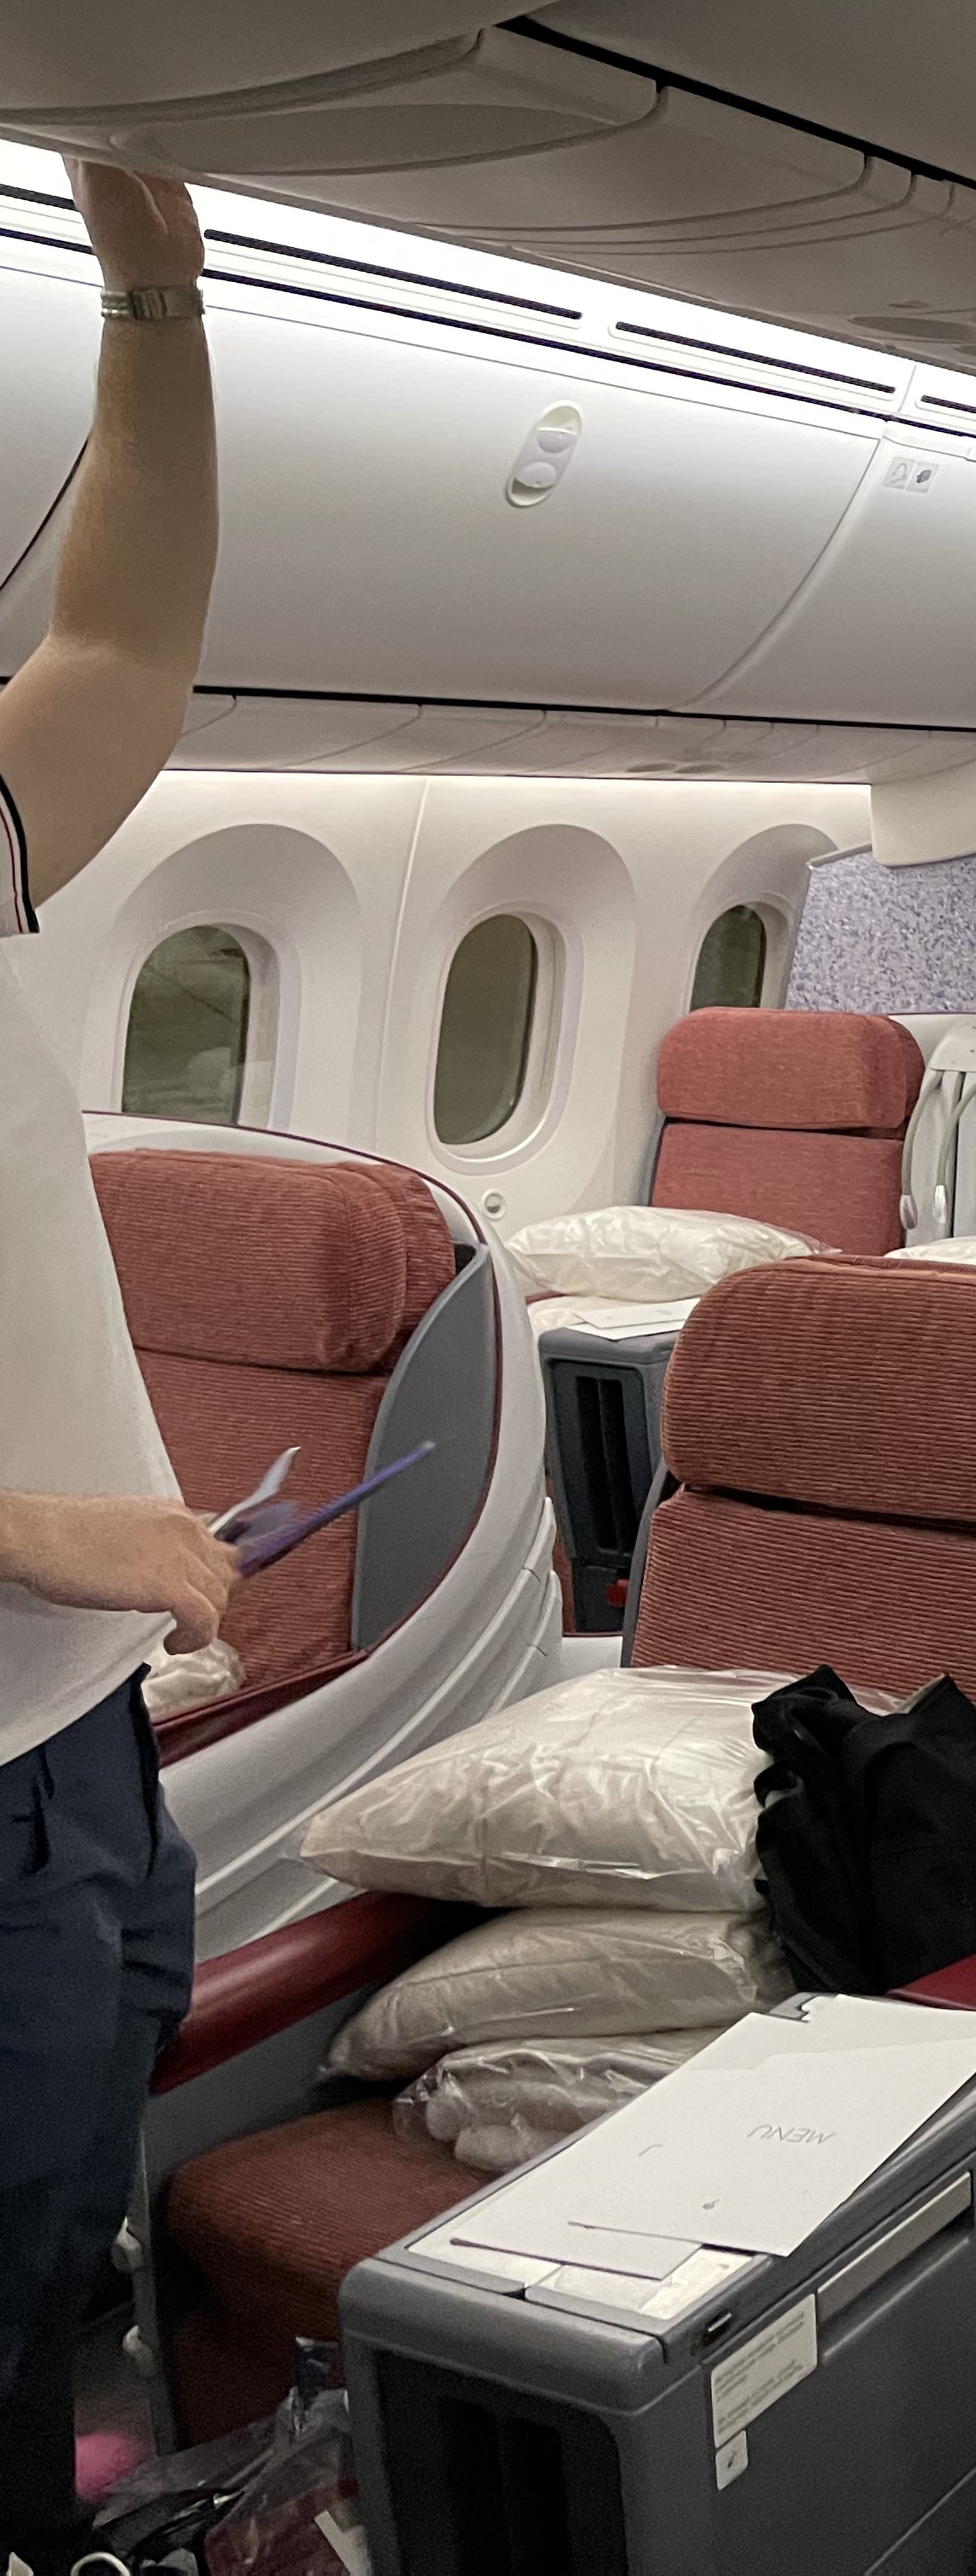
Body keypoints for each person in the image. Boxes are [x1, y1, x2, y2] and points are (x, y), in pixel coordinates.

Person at [0, 164, 228, 2576]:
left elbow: (123, 649)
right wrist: (34, 1526)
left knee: (65, 2253)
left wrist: (156, 293)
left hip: (71, 1732)